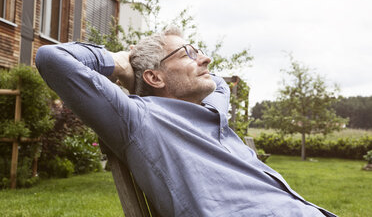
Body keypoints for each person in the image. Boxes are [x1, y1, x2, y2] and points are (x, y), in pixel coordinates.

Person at [36, 26, 337, 217]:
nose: (205, 59)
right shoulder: (140, 117)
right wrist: (122, 62)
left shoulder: (210, 110)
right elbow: (52, 58)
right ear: (155, 77)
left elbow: (219, 83)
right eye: (189, 53)